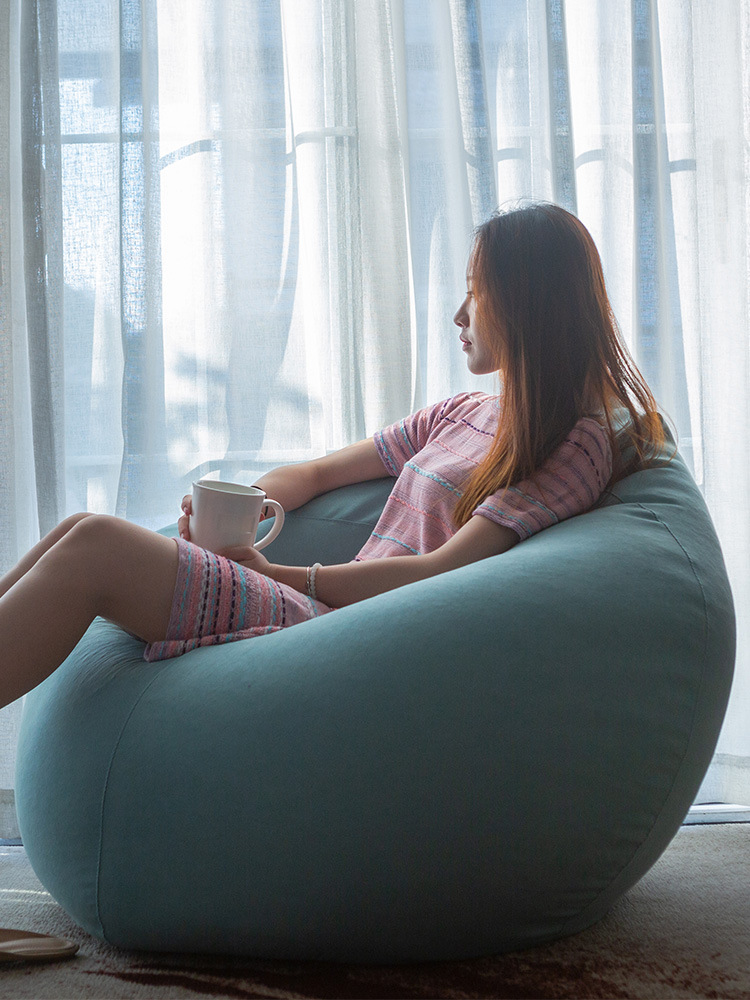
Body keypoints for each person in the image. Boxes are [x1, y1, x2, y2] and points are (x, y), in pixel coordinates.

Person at [0, 202, 669, 709]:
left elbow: (441, 574)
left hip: (344, 634)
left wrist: (286, 575)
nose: (459, 314)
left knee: (98, 547)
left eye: (477, 290)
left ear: (530, 304)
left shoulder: (576, 443)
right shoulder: (465, 413)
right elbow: (319, 472)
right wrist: (248, 511)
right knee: (80, 528)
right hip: (321, 611)